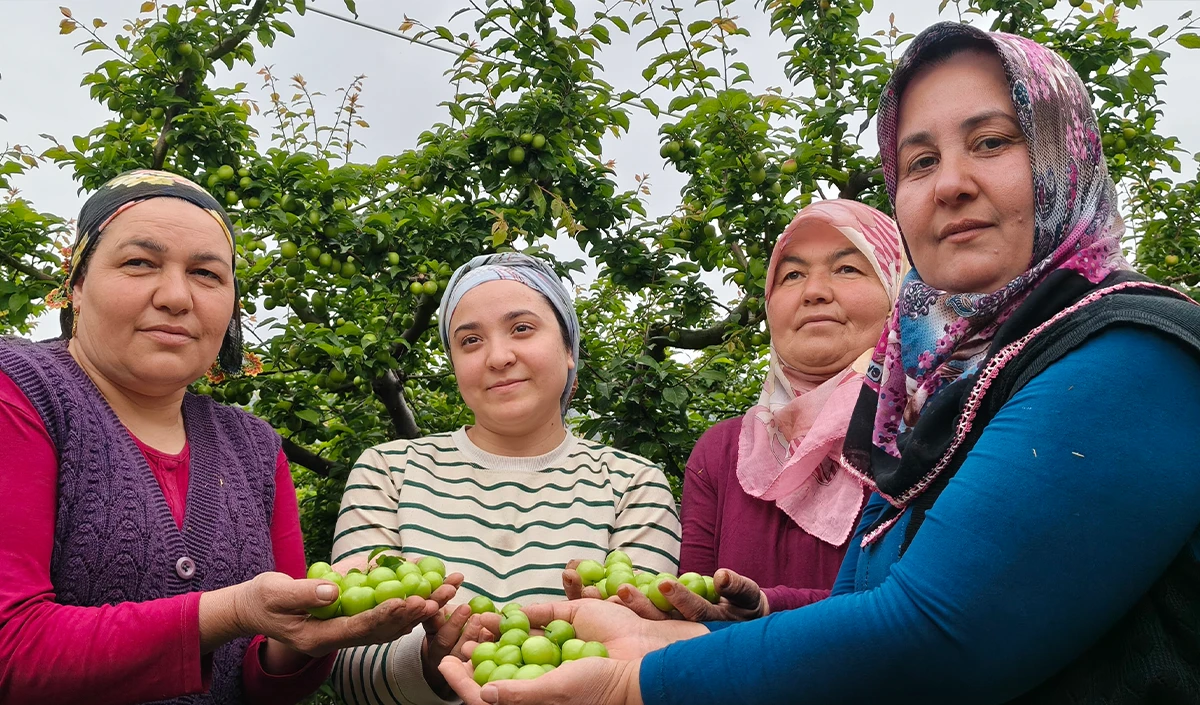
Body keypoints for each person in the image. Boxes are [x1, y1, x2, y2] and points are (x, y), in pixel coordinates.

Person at [438, 21, 1200, 705]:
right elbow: (869, 604)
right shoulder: (942, 391)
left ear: (1067, 154)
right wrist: (697, 637)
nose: (952, 182)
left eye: (993, 141)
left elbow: (935, 636)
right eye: (921, 159)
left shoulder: (1131, 351)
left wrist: (640, 678)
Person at [0, 170, 459, 705]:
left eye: (206, 274)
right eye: (139, 263)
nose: (176, 296)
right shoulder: (20, 393)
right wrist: (230, 612)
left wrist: (309, 638)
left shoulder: (256, 448)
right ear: (76, 285)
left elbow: (265, 681)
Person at [330, 252, 681, 705]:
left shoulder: (634, 482)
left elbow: (642, 657)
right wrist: (429, 662)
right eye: (470, 340)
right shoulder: (389, 470)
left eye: (521, 328)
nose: (498, 357)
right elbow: (348, 663)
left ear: (569, 349)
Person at [564, 200, 904, 621]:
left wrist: (767, 609)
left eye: (847, 268)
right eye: (793, 274)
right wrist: (648, 613)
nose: (814, 290)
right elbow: (697, 601)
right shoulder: (723, 452)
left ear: (897, 290)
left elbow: (923, 607)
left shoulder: (930, 432)